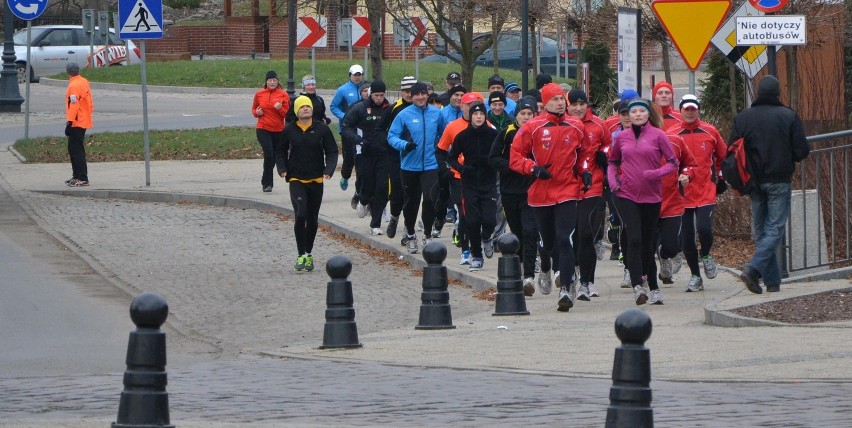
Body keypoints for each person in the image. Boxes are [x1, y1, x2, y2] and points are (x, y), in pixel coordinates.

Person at [729, 75, 809, 294]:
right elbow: (802, 150)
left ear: (758, 93)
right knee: (774, 229)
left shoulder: (744, 117)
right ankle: (754, 270)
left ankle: (772, 282)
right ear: (777, 93)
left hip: (753, 181)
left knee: (762, 231)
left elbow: (732, 148)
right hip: (779, 180)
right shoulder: (788, 116)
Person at [510, 83, 585, 313]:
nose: (560, 103)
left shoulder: (576, 125)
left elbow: (584, 154)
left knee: (565, 239)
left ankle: (566, 288)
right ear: (545, 103)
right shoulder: (532, 127)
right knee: (548, 241)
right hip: (541, 191)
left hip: (568, 189)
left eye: (562, 99)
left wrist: (585, 171)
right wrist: (533, 169)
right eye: (554, 100)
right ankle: (545, 267)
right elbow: (515, 157)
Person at [607, 98, 678, 305]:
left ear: (648, 114)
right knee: (634, 238)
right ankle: (638, 286)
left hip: (652, 195)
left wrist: (656, 173)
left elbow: (673, 162)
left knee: (648, 243)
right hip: (626, 194)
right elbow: (612, 162)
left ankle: (653, 285)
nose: (637, 115)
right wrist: (613, 182)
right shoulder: (622, 138)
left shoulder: (658, 136)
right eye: (633, 112)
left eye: (641, 111)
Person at [666, 94, 727, 292]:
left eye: (693, 109)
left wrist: (720, 177)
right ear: (681, 110)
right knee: (687, 236)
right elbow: (667, 161)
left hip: (705, 189)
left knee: (705, 229)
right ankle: (695, 276)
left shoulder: (710, 131)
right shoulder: (672, 133)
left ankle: (707, 254)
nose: (690, 112)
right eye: (686, 109)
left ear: (698, 110)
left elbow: (722, 156)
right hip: (682, 192)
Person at [275, 96, 339, 272]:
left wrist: (329, 169)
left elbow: (332, 151)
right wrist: (282, 168)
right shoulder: (289, 130)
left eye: (308, 106)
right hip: (296, 179)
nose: (305, 109)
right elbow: (280, 151)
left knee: (312, 219)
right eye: (302, 107)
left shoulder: (321, 129)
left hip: (316, 179)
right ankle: (301, 253)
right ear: (296, 110)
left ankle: (308, 254)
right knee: (301, 214)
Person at [489, 97, 543, 295]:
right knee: (518, 232)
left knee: (530, 232)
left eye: (530, 114)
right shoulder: (507, 134)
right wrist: (511, 166)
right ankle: (520, 268)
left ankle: (529, 276)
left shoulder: (539, 133)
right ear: (516, 115)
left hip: (532, 189)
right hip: (510, 190)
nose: (526, 118)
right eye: (523, 114)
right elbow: (493, 158)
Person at [566, 89, 611, 301]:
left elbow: (609, 146)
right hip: (566, 186)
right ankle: (570, 271)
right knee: (570, 234)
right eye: (573, 104)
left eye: (581, 104)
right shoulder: (561, 124)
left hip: (592, 185)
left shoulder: (599, 125)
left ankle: (587, 281)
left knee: (586, 234)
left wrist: (605, 156)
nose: (578, 108)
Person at [387, 82, 442, 254]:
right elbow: (391, 136)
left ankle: (427, 235)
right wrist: (404, 145)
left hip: (431, 164)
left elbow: (443, 134)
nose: (420, 97)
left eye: (423, 94)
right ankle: (410, 234)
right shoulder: (404, 114)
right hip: (410, 166)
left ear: (427, 95)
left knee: (430, 200)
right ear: (411, 96)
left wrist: (441, 151)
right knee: (411, 202)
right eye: (416, 94)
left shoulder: (436, 114)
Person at [448, 103, 500, 271]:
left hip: (489, 182)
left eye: (481, 114)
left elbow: (502, 154)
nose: (478, 117)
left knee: (489, 219)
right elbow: (452, 157)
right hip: (469, 183)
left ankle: (487, 237)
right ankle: (476, 255)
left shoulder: (493, 135)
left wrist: (496, 166)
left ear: (486, 116)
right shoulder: (463, 136)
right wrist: (462, 169)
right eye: (475, 114)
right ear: (470, 116)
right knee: (472, 221)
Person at [436, 91, 482, 264]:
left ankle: (481, 239)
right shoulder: (453, 127)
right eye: (469, 105)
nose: (472, 109)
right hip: (459, 177)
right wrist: (446, 169)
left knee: (481, 215)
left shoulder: (488, 126)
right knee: (464, 214)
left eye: (476, 105)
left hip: (480, 178)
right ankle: (466, 250)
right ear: (461, 106)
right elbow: (440, 151)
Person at [341, 80, 392, 235]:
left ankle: (375, 224)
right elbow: (345, 127)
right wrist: (358, 140)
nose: (379, 98)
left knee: (382, 188)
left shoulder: (389, 109)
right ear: (371, 94)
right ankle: (363, 200)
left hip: (384, 154)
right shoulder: (360, 108)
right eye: (376, 95)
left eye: (382, 95)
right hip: (364, 153)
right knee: (367, 186)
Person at [657, 133, 697, 287]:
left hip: (672, 199)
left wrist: (686, 174)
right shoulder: (636, 140)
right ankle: (646, 282)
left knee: (671, 246)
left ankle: (665, 255)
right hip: (646, 199)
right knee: (645, 242)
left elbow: (689, 163)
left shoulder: (675, 139)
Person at [379, 76, 417, 239]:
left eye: (412, 91)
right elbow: (380, 130)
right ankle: (394, 218)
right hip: (396, 158)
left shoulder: (423, 108)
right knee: (397, 195)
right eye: (407, 91)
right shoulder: (394, 108)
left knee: (412, 196)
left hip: (415, 159)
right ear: (401, 92)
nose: (410, 95)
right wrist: (389, 146)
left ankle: (408, 231)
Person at [251, 70, 289, 193]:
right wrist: (257, 113)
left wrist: (280, 108)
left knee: (275, 156)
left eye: (274, 80)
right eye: (270, 80)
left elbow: (287, 115)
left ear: (278, 82)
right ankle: (268, 184)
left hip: (278, 130)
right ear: (266, 82)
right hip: (263, 128)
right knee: (269, 155)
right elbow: (254, 109)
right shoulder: (260, 94)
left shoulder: (283, 94)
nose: (272, 82)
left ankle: (266, 178)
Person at [330, 64, 365, 191]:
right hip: (347, 129)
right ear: (350, 75)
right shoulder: (343, 90)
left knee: (360, 159)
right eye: (354, 75)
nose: (357, 77)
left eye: (359, 75)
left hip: (362, 129)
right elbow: (334, 106)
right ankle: (345, 176)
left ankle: (359, 186)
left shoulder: (366, 89)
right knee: (349, 158)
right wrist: (345, 116)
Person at [64, 62, 93, 187]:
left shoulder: (73, 85)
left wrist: (69, 122)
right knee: (74, 149)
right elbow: (89, 101)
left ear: (68, 72)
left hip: (77, 121)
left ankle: (82, 177)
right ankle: (76, 176)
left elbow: (74, 105)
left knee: (76, 150)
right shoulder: (83, 81)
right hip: (84, 119)